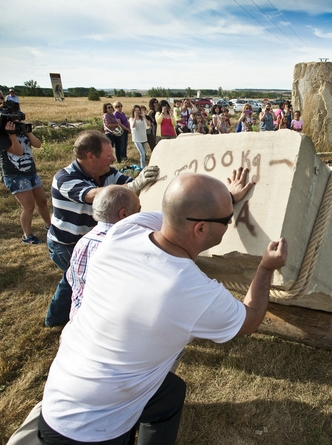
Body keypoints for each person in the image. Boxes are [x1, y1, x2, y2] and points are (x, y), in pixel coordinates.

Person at [38, 169, 288, 444]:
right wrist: (265, 267)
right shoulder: (190, 290)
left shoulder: (126, 229)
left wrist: (224, 198)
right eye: (227, 220)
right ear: (201, 228)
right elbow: (250, 320)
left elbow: (178, 212)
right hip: (93, 430)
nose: (230, 223)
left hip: (60, 390)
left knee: (170, 393)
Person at [45, 130, 160, 328]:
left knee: (75, 279)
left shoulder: (106, 173)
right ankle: (59, 320)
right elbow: (99, 196)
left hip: (93, 240)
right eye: (108, 155)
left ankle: (58, 318)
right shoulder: (64, 178)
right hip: (66, 244)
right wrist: (135, 184)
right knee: (77, 280)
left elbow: (128, 185)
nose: (113, 158)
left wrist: (144, 181)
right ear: (91, 156)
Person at [67, 185, 141, 321]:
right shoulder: (125, 247)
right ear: (124, 214)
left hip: (80, 321)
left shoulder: (83, 242)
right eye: (139, 210)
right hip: (108, 328)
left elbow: (73, 281)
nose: (141, 214)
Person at [0, 94, 51, 244]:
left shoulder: (21, 129)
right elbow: (18, 152)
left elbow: (37, 144)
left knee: (42, 201)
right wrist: (12, 136)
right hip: (14, 174)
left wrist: (27, 130)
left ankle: (49, 225)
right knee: (28, 206)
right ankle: (27, 236)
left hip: (30, 171)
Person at [129, 104, 150, 169]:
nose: (137, 112)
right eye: (136, 110)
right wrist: (135, 117)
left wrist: (144, 117)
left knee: (144, 154)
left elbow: (148, 126)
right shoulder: (131, 119)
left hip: (143, 138)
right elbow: (133, 126)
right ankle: (142, 167)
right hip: (137, 138)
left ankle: (143, 165)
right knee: (142, 153)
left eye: (138, 110)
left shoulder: (142, 119)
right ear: (133, 111)